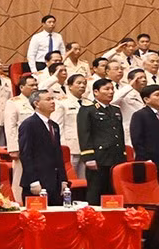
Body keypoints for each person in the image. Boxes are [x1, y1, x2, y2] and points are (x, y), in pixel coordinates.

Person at [77, 76, 128, 204]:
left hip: (115, 157)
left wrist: (123, 154)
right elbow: (84, 134)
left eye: (112, 89)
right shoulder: (88, 110)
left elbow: (119, 134)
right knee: (96, 191)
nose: (111, 92)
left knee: (113, 191)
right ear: (96, 92)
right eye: (106, 89)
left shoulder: (115, 110)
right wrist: (88, 157)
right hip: (99, 157)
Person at [15, 88, 69, 199]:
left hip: (55, 181)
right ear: (37, 103)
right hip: (37, 182)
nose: (53, 102)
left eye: (53, 99)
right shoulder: (28, 124)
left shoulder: (54, 125)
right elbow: (26, 155)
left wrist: (63, 179)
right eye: (48, 99)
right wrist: (33, 181)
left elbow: (58, 154)